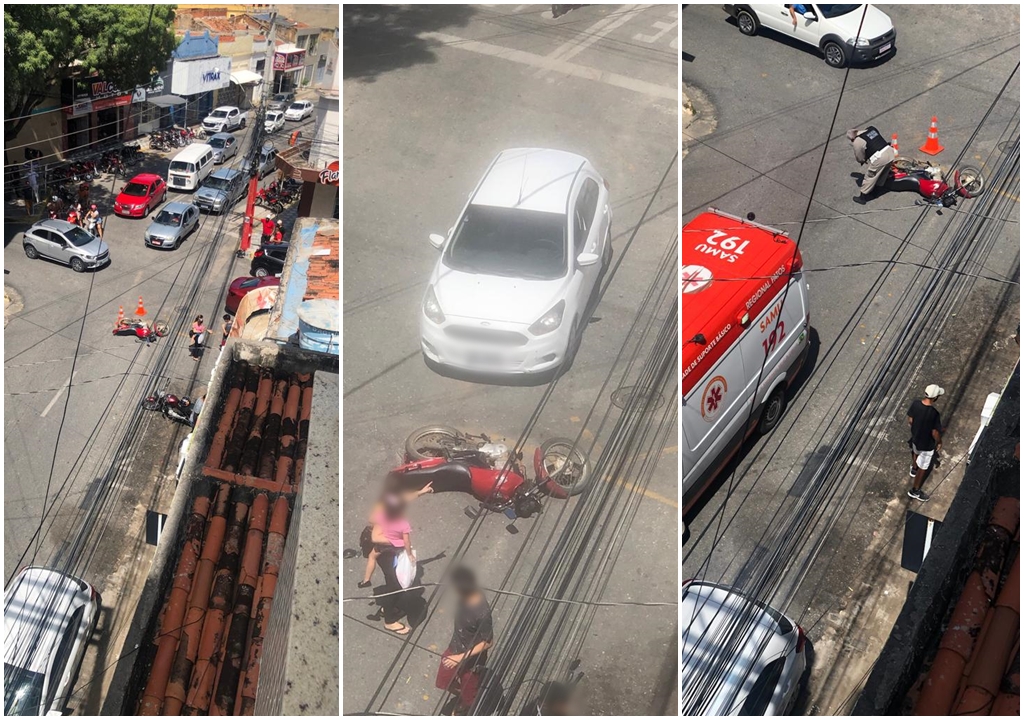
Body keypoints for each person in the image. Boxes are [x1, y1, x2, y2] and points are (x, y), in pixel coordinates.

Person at [436, 566, 494, 714]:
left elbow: (488, 642)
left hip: (472, 661)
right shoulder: (462, 599)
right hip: (454, 648)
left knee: (470, 696)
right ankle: (462, 694)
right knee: (443, 681)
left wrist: (460, 658)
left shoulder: (482, 613)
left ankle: (467, 706)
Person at [360, 479, 433, 588]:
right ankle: (400, 577)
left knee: (372, 556)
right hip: (397, 545)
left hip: (382, 546)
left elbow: (371, 519)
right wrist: (410, 555)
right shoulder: (403, 523)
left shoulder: (383, 515)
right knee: (397, 561)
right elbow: (407, 541)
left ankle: (366, 580)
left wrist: (381, 519)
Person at [907, 384, 944, 502]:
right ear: (935, 398)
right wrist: (939, 441)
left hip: (915, 437)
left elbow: (911, 420)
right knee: (924, 467)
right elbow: (934, 432)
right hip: (926, 444)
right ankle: (915, 490)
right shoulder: (934, 413)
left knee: (915, 452)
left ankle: (913, 468)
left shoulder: (915, 404)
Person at [847, 126, 896, 204]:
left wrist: (863, 160)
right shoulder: (871, 129)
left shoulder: (857, 141)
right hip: (890, 151)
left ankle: (862, 198)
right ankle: (877, 191)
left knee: (870, 177)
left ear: (852, 138)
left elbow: (859, 157)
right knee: (883, 173)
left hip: (880, 158)